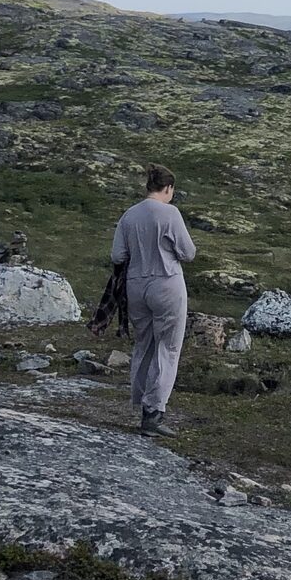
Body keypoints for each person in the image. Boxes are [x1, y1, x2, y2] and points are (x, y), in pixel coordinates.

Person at [111, 163, 198, 437]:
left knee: (144, 344)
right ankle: (154, 413)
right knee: (168, 348)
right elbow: (188, 252)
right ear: (168, 188)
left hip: (136, 285)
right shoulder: (170, 214)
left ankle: (141, 403)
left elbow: (117, 256)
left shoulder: (129, 215)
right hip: (166, 282)